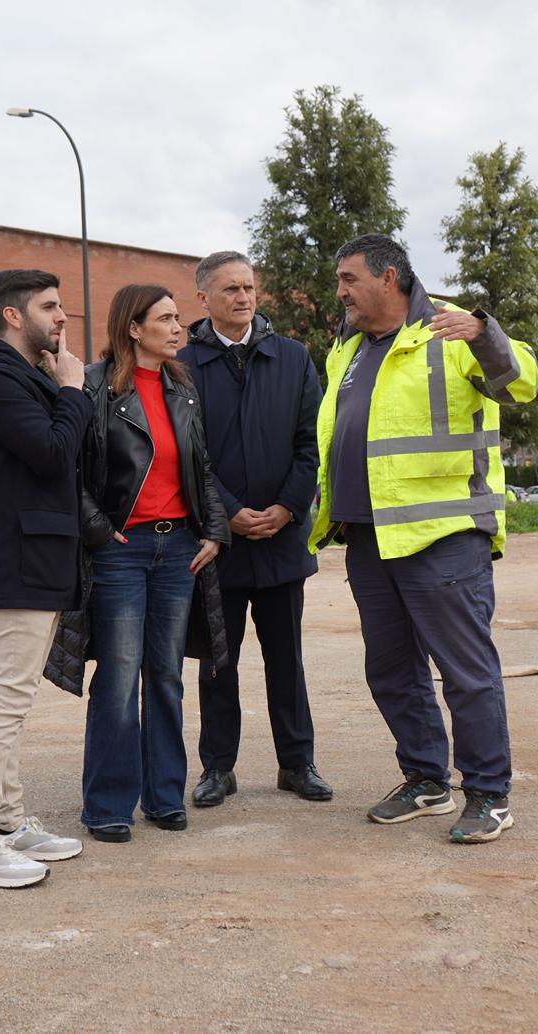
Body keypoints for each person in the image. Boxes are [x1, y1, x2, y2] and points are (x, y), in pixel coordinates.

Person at [308, 234, 538, 844]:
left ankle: (489, 793)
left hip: (444, 534)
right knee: (391, 671)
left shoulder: (449, 327)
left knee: (465, 671)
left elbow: (522, 382)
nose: (341, 292)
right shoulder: (347, 346)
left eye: (349, 279)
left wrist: (485, 333)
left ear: (389, 278)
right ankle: (426, 779)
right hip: (369, 535)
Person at [0, 269, 90, 887]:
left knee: (15, 698)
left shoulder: (20, 377)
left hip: (34, 551)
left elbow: (7, 475)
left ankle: (6, 823)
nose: (62, 317)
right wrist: (74, 389)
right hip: (27, 556)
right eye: (49, 307)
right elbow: (53, 454)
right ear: (12, 315)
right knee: (8, 699)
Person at [68, 284, 230, 842]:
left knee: (166, 675)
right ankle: (108, 806)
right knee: (118, 678)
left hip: (179, 550)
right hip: (121, 550)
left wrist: (215, 530)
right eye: (165, 319)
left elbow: (201, 468)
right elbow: (69, 471)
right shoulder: (94, 386)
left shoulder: (181, 387)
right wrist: (97, 529)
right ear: (133, 328)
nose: (178, 327)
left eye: (178, 318)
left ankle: (164, 797)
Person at [176, 251, 330, 807]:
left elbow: (312, 442)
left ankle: (297, 763)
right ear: (203, 299)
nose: (243, 297)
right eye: (230, 289)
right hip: (218, 543)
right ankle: (218, 767)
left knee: (287, 659)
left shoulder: (292, 357)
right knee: (218, 663)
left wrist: (288, 507)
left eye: (248, 287)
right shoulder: (182, 365)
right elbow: (188, 452)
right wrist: (229, 510)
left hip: (282, 541)